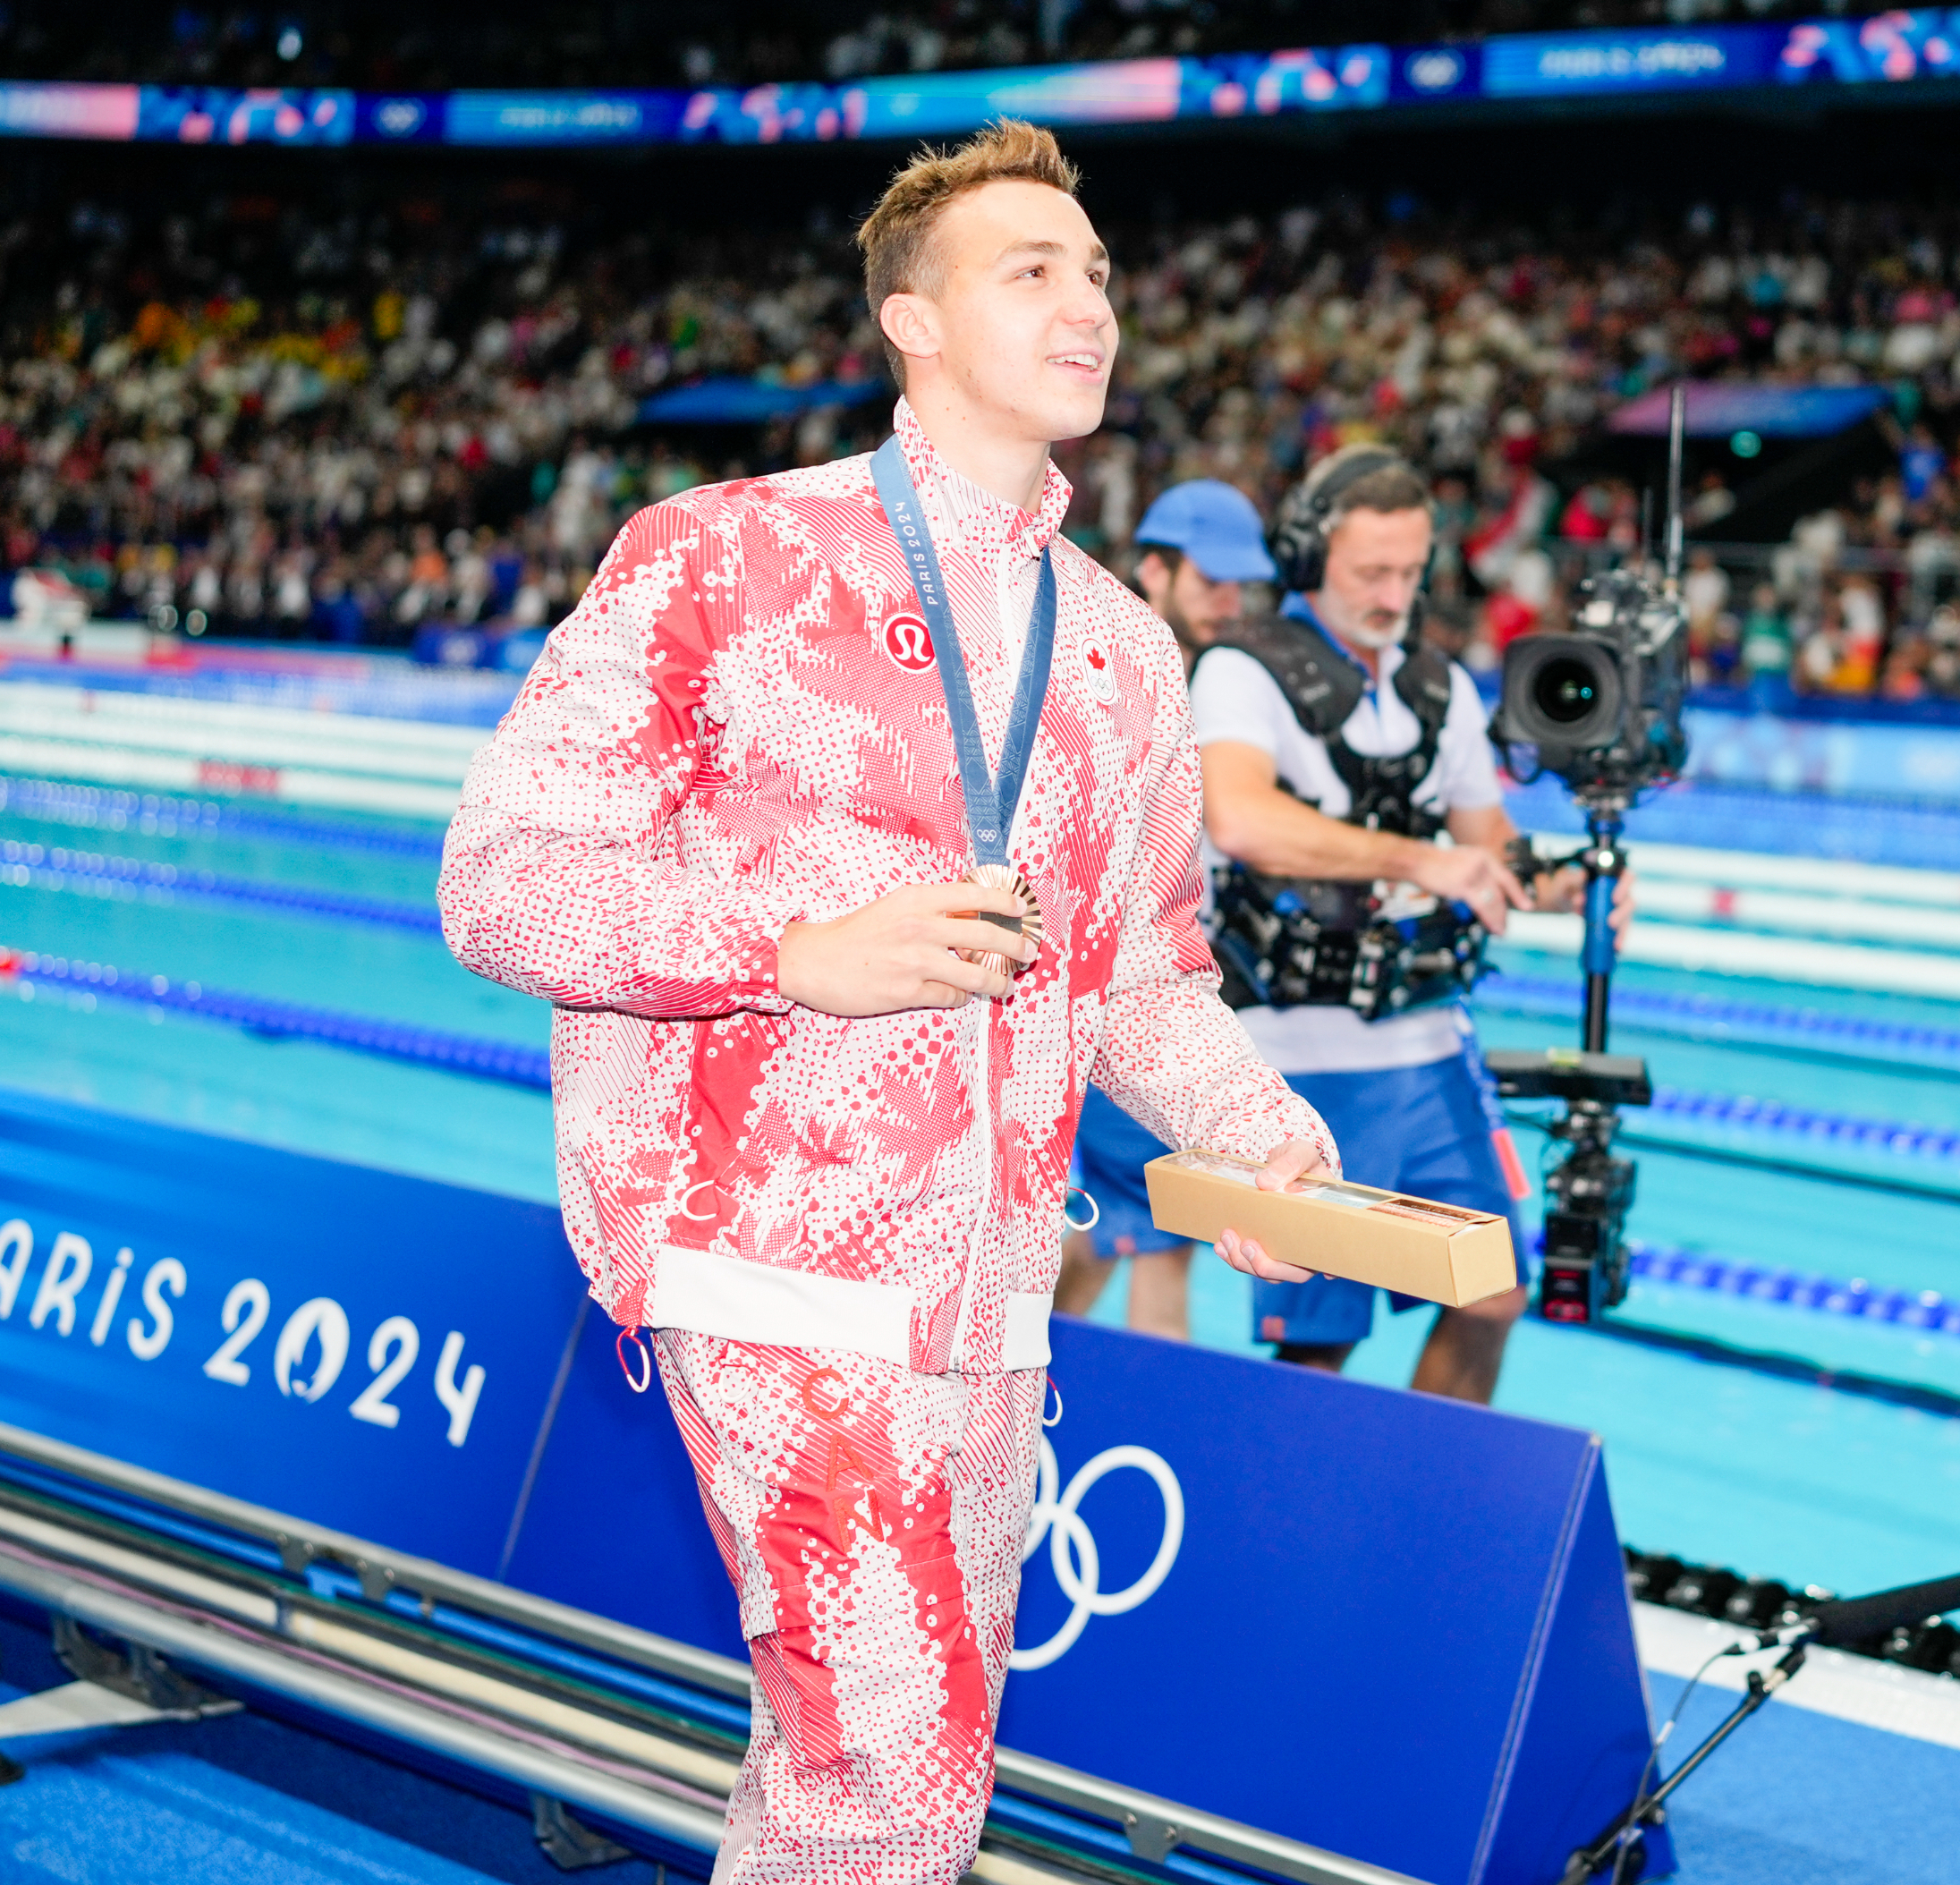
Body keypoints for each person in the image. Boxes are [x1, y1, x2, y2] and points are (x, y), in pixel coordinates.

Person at [437, 122, 1336, 1884]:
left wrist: (1255, 1133)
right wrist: (788, 953)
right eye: (1031, 270)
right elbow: (497, 875)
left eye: (1095, 274)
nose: (1088, 305)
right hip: (767, 1252)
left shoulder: (1119, 649)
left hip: (988, 1287)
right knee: (893, 1759)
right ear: (911, 323)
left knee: (871, 1770)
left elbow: (1137, 979)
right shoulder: (721, 558)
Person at [1192, 446, 1625, 1405]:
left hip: (1427, 1050)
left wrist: (1568, 887)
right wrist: (1422, 860)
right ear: (1308, 560)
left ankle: (1420, 1499)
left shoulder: (1439, 686)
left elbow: (1489, 848)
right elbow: (1240, 818)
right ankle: (1297, 1523)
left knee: (1492, 1295)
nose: (1393, 595)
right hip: (1296, 1058)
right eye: (1368, 573)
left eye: (1409, 572)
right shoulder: (1240, 671)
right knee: (1318, 1348)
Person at [1056, 477, 1277, 1341]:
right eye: (1210, 580)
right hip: (1128, 999)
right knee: (1160, 1245)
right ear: (1153, 568)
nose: (1229, 601)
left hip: (1165, 994)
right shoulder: (1107, 678)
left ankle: (1022, 1401)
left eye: (1239, 584)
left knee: (1099, 1245)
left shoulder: (1230, 687)